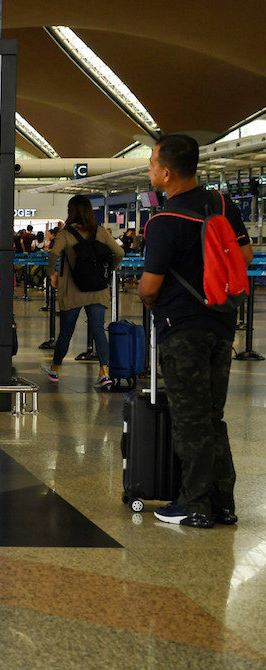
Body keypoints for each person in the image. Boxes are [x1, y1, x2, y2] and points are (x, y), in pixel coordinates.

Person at [139, 134, 253, 529]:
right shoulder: (223, 204)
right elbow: (245, 255)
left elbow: (149, 287)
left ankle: (194, 503)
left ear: (167, 173)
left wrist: (154, 297)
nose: (150, 169)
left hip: (181, 328)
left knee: (189, 418)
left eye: (152, 163)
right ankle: (224, 502)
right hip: (221, 322)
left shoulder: (164, 221)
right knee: (212, 415)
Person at [40, 194, 124, 389]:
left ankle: (55, 369)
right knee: (98, 330)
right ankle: (104, 373)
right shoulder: (101, 232)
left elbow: (53, 254)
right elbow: (119, 253)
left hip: (72, 290)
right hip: (97, 288)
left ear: (71, 212)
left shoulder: (65, 234)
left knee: (66, 332)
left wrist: (51, 274)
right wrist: (110, 267)